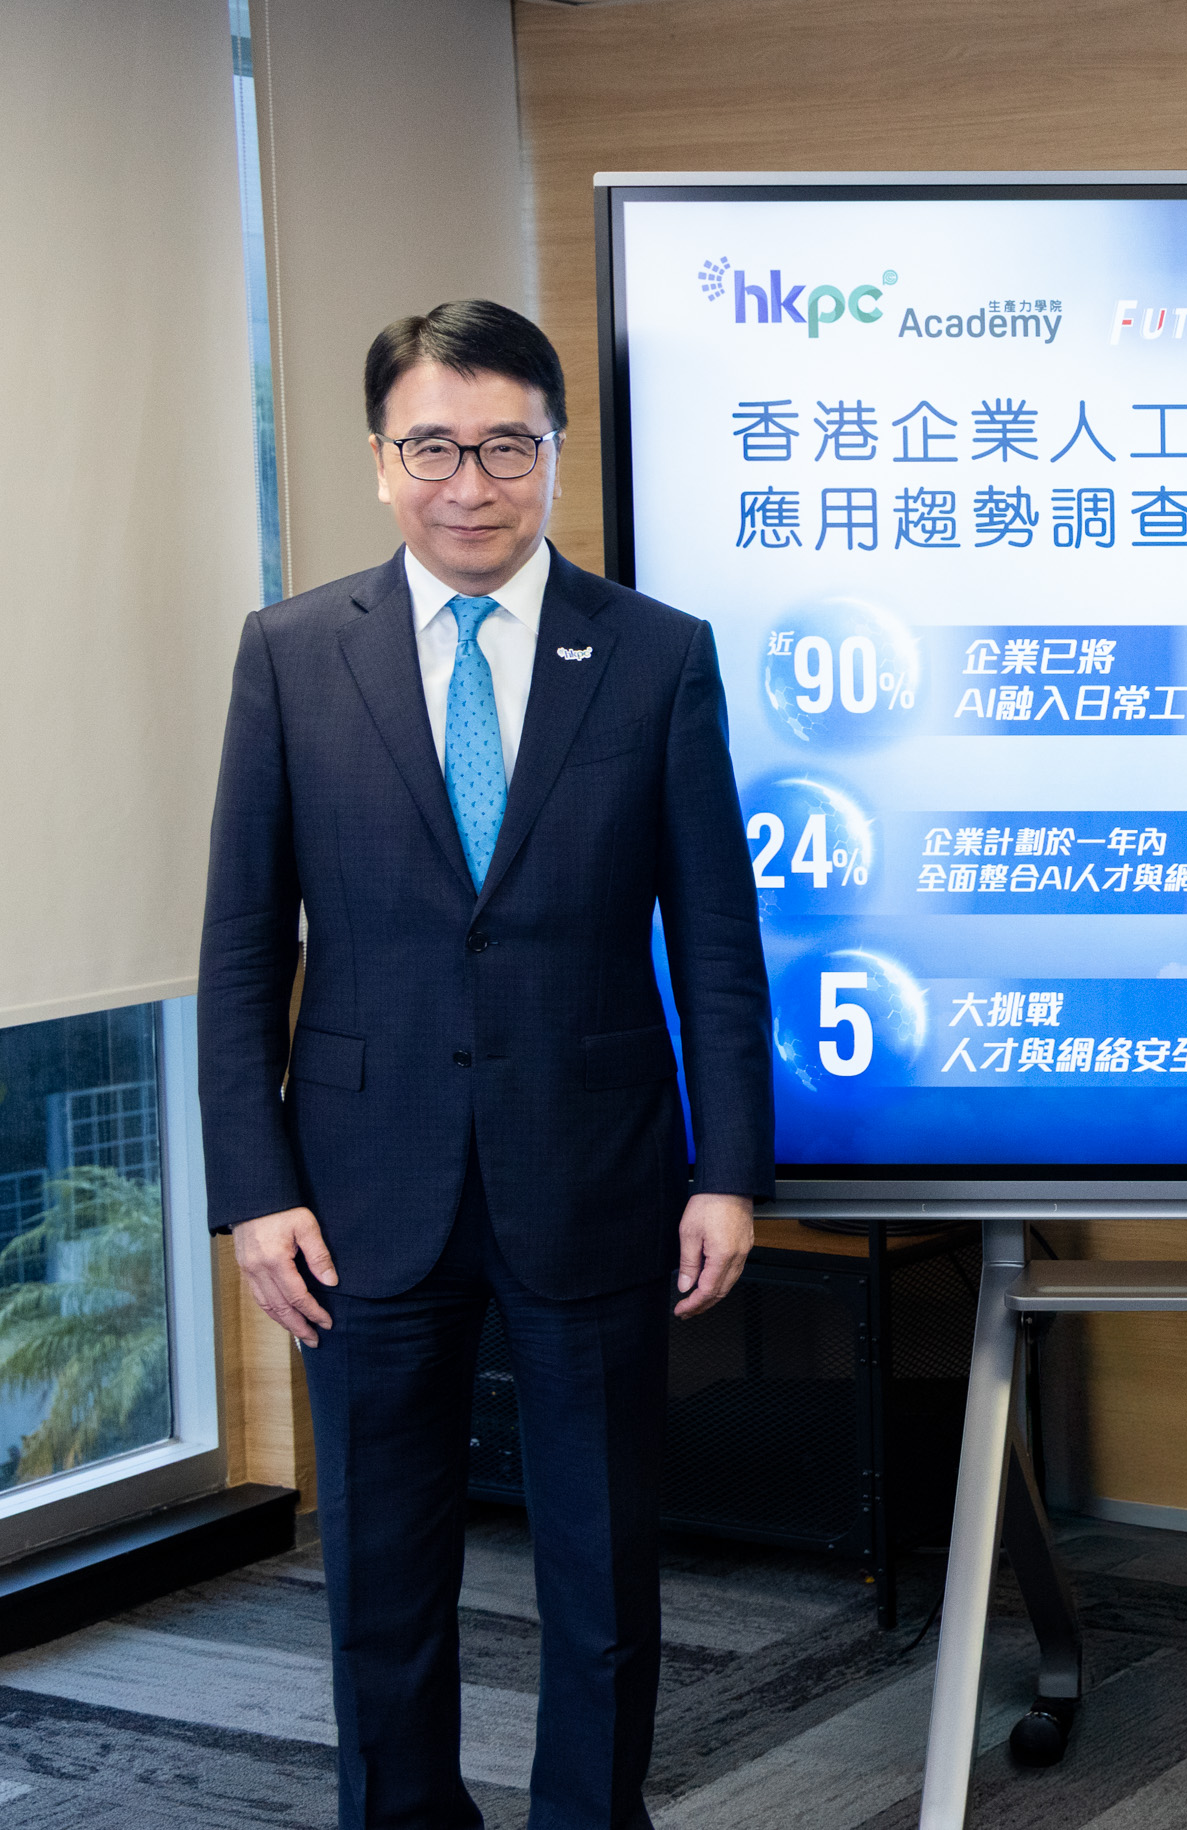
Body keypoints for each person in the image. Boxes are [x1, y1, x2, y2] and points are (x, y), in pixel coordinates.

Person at [197, 300, 774, 1830]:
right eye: (434, 447)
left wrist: (728, 1169)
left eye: (506, 445)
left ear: (555, 457)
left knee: (600, 1564)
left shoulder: (654, 657)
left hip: (595, 1170)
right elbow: (245, 943)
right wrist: (254, 1190)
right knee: (380, 1569)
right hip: (356, 1189)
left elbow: (717, 938)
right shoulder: (291, 655)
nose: (471, 481)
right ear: (381, 460)